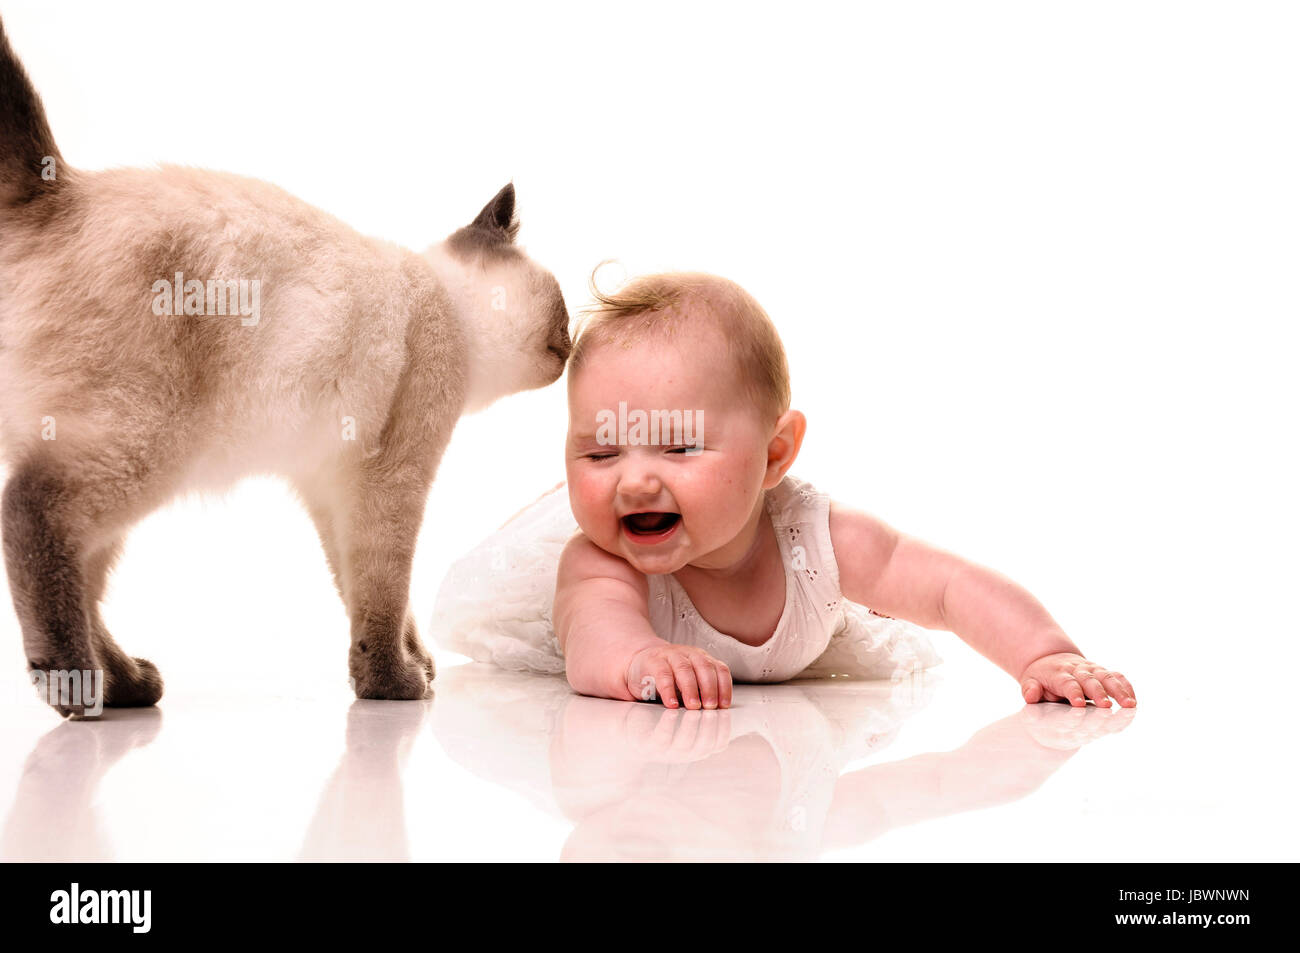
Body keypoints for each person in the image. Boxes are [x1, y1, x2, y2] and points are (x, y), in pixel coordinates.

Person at [431, 271, 1137, 712]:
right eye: (601, 449)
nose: (636, 478)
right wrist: (639, 658)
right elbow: (596, 639)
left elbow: (951, 586)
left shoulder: (819, 541)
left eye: (678, 447)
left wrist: (1044, 655)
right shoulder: (600, 559)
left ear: (774, 454)